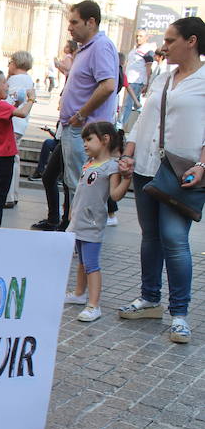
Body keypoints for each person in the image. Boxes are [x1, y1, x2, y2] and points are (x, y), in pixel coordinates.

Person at [118, 16, 205, 344]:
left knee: (174, 239)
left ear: (191, 41)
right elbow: (143, 121)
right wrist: (128, 152)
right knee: (150, 237)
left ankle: (180, 314)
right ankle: (149, 298)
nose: (163, 46)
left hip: (181, 172)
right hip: (145, 166)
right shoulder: (163, 77)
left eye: (170, 40)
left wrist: (202, 165)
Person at [64, 122, 131, 322]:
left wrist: (127, 179)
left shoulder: (111, 166)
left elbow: (115, 195)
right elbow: (80, 192)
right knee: (82, 262)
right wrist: (71, 212)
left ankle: (94, 304)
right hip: (79, 220)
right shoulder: (88, 163)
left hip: (93, 223)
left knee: (91, 264)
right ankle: (79, 293)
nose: (85, 144)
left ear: (105, 139)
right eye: (84, 140)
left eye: (89, 139)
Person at [59, 0, 119, 202]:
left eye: (75, 22)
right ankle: (71, 227)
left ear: (91, 22)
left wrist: (80, 115)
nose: (70, 27)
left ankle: (80, 231)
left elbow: (108, 86)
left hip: (84, 129)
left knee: (82, 187)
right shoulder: (87, 48)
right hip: (76, 127)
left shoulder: (100, 46)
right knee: (74, 184)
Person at [0, 69, 35, 227]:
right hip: (4, 157)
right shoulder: (0, 105)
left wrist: (15, 104)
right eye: (3, 82)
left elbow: (8, 113)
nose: (7, 85)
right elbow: (22, 113)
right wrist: (31, 99)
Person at [4, 51, 35, 208]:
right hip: (20, 124)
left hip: (12, 123)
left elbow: (8, 101)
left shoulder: (15, 80)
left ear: (15, 63)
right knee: (14, 159)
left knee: (7, 159)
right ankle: (13, 194)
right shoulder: (28, 79)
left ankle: (7, 195)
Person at [119, 30, 155, 129]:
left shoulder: (148, 50)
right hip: (129, 80)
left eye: (141, 36)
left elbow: (149, 68)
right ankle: (146, 124)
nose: (138, 38)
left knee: (127, 105)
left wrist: (147, 83)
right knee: (138, 105)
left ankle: (119, 127)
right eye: (137, 36)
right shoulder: (135, 49)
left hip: (137, 81)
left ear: (146, 37)